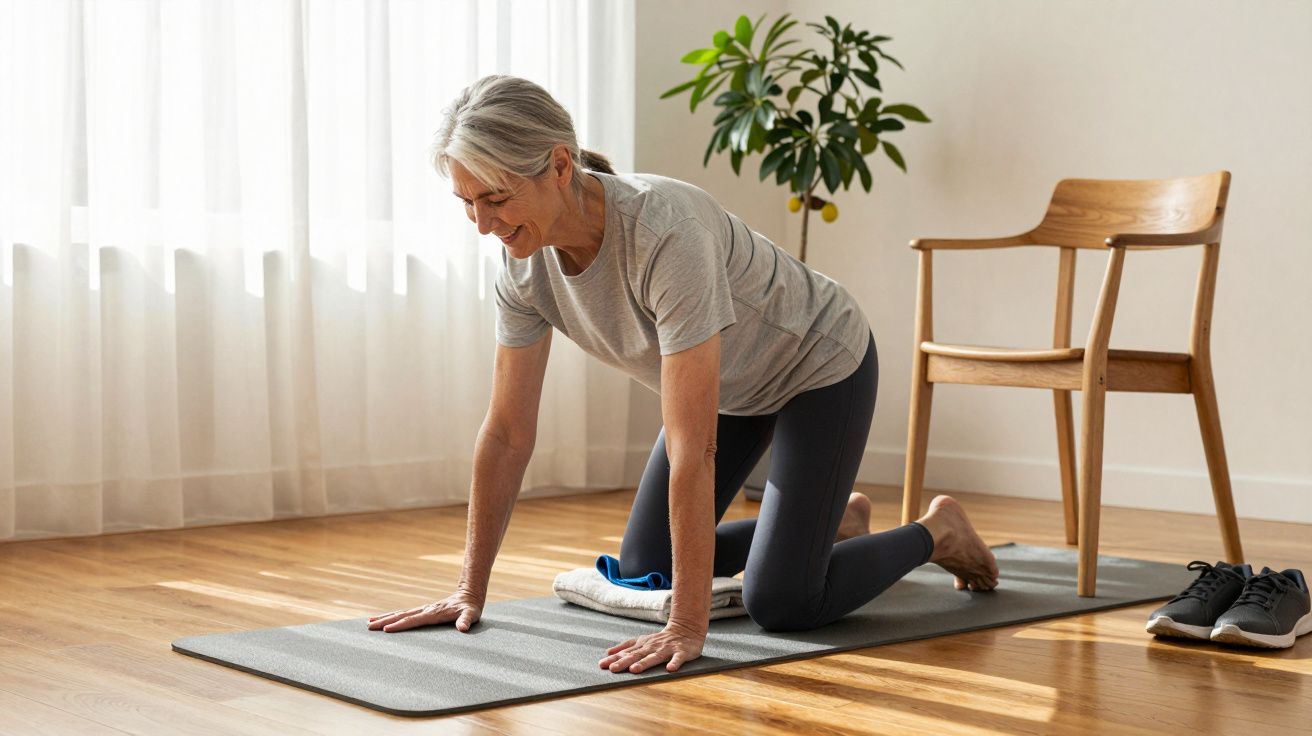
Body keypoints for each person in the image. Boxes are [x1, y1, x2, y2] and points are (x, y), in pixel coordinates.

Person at [367, 75, 999, 674]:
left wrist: (687, 627)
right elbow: (506, 433)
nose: (482, 224)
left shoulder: (666, 231)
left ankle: (936, 531)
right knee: (645, 568)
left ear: (560, 166)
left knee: (782, 603)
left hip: (817, 363)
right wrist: (466, 592)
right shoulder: (524, 273)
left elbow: (694, 448)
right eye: (467, 203)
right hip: (731, 385)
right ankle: (833, 522)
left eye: (496, 198)